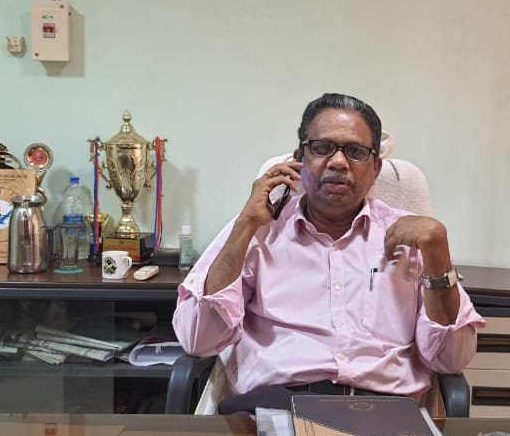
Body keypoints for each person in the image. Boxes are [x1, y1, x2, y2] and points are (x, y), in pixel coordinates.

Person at [173, 93, 484, 413]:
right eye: (322, 148)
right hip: (273, 408)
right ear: (299, 159)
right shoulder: (260, 228)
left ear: (376, 168)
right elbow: (199, 340)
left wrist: (438, 255)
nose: (338, 162)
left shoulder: (412, 239)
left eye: (355, 152)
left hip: (382, 414)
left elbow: (451, 359)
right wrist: (244, 226)